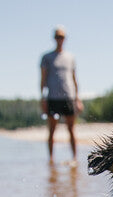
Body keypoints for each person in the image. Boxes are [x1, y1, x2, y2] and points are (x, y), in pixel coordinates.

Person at [40, 26, 83, 163]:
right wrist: (43, 98)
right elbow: (43, 79)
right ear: (54, 38)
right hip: (52, 97)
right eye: (58, 37)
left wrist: (77, 99)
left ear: (65, 39)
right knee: (52, 130)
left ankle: (74, 158)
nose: (60, 39)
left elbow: (75, 79)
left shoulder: (70, 57)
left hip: (68, 97)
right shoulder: (46, 57)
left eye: (62, 37)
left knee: (71, 129)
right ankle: (51, 160)